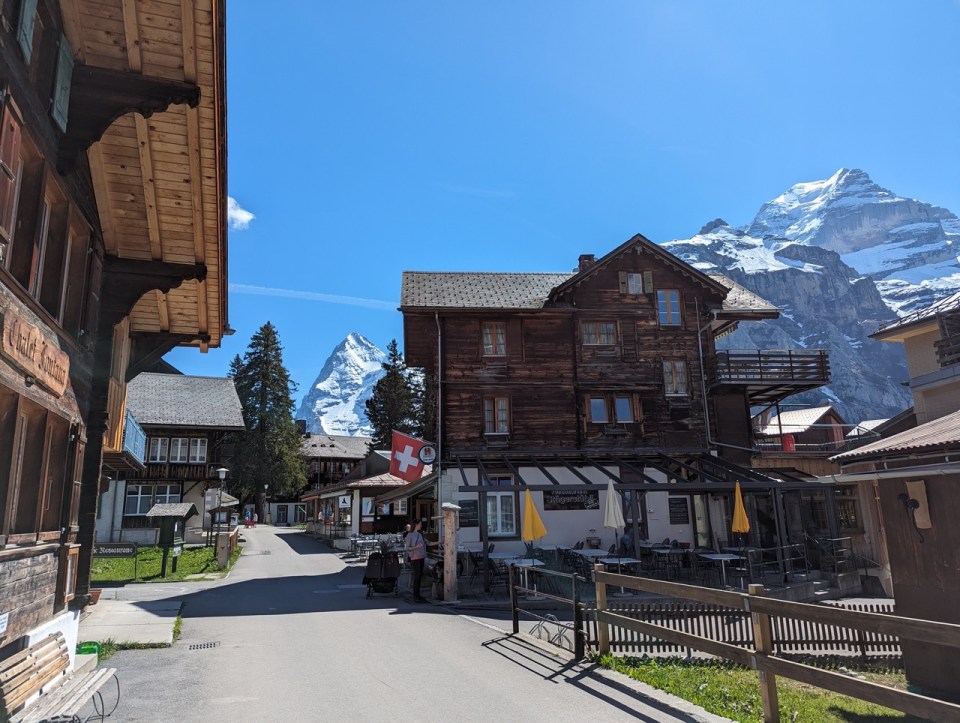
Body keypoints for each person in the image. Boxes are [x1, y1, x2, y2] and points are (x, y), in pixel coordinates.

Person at [405, 520, 427, 603]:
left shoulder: (420, 534)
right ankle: (415, 595)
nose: (421, 525)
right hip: (415, 557)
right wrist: (416, 547)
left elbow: (427, 543)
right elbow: (407, 548)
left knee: (420, 575)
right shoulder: (410, 535)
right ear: (416, 525)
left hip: (422, 556)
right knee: (417, 576)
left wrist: (440, 542)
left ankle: (418, 595)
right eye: (420, 524)